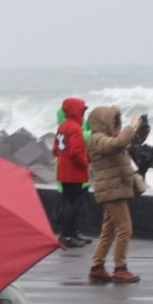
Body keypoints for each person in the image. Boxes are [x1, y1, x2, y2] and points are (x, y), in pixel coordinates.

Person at [87, 105, 143, 283]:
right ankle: (120, 268)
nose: (115, 124)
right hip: (112, 190)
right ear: (102, 122)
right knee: (125, 229)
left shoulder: (107, 138)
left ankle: (97, 266)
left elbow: (126, 142)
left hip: (115, 188)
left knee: (109, 230)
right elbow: (117, 144)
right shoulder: (97, 139)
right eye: (112, 121)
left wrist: (139, 129)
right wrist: (131, 126)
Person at [52, 97, 91, 248]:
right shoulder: (75, 128)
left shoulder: (62, 127)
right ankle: (68, 235)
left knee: (69, 203)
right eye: (82, 110)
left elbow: (55, 150)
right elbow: (76, 152)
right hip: (74, 173)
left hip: (63, 172)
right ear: (76, 111)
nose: (83, 113)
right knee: (72, 205)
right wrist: (86, 162)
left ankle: (72, 233)